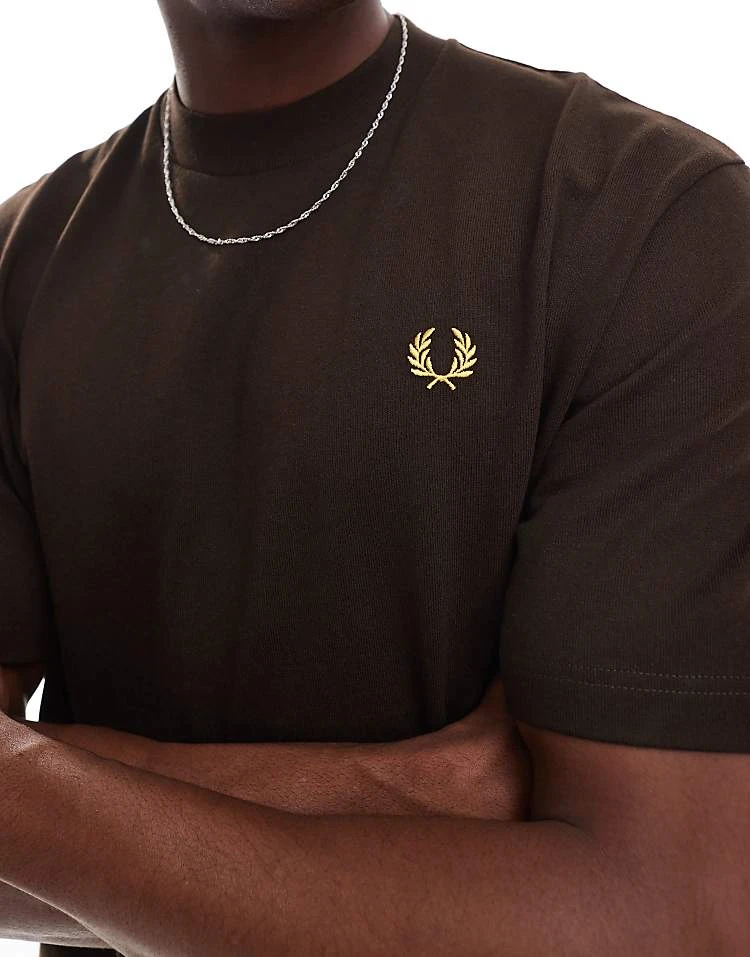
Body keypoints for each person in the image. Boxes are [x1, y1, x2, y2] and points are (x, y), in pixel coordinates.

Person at [0, 0, 748, 953]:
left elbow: (672, 914)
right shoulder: (18, 264)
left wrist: (27, 788)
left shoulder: (647, 214)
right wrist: (402, 790)